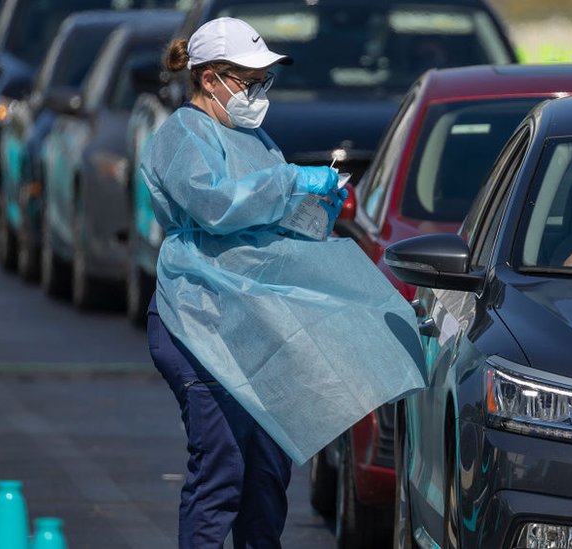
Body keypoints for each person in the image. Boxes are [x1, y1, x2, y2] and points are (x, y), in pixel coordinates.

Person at [139, 16, 425, 549]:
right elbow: (218, 205)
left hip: (250, 321)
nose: (257, 92)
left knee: (267, 472)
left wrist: (315, 204)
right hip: (198, 318)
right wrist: (293, 181)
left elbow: (269, 223)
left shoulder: (254, 138)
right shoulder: (181, 136)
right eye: (248, 80)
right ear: (210, 79)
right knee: (222, 465)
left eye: (261, 79)